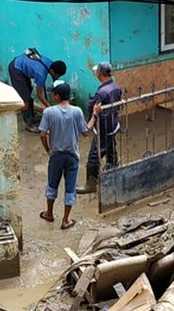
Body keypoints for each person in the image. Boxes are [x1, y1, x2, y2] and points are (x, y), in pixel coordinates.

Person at [39, 81, 100, 230]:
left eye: (54, 93)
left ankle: (49, 213)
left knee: (52, 184)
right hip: (72, 156)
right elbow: (86, 132)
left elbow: (42, 135)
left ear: (57, 96)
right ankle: (66, 220)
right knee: (70, 188)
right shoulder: (77, 111)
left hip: (56, 155)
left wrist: (49, 150)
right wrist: (94, 115)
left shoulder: (49, 112)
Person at [78, 61, 123, 194]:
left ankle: (91, 183)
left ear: (100, 74)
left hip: (103, 127)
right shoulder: (116, 86)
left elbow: (91, 108)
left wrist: (91, 104)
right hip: (113, 124)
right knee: (110, 149)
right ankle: (114, 172)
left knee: (94, 155)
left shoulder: (102, 92)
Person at [8, 48, 67, 129]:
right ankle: (25, 121)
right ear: (53, 72)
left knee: (28, 94)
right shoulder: (41, 74)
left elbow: (53, 79)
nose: (58, 77)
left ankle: (31, 116)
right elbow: (39, 94)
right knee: (25, 102)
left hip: (22, 64)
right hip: (16, 69)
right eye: (58, 76)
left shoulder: (51, 64)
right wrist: (50, 108)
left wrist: (55, 85)